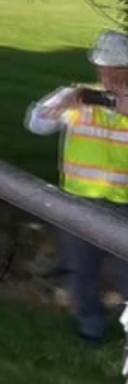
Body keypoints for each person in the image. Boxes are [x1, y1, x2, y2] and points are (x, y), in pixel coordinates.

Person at [26, 30, 128, 346]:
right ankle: (91, 329)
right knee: (80, 270)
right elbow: (36, 124)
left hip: (123, 207)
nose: (110, 75)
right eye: (104, 68)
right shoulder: (79, 97)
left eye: (118, 69)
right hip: (78, 204)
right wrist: (63, 101)